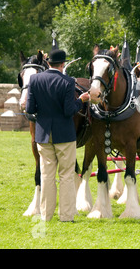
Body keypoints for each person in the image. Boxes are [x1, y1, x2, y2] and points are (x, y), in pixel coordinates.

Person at [26, 49, 90, 222]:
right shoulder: (68, 81)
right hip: (64, 135)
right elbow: (69, 110)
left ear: (48, 63)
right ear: (63, 64)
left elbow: (30, 110)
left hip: (43, 135)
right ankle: (66, 216)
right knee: (66, 175)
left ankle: (46, 215)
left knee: (47, 175)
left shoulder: (34, 80)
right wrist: (81, 100)